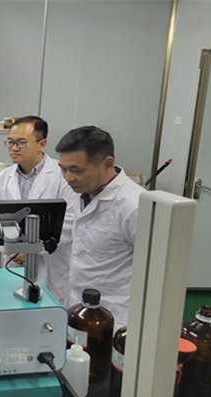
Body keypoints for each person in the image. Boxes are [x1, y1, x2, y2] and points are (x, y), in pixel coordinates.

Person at [55, 125, 145, 330]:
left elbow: (155, 273)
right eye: (63, 169)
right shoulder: (83, 193)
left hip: (116, 317)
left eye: (76, 170)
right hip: (79, 307)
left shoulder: (134, 205)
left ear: (107, 164)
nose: (67, 178)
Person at [0, 116, 78, 307]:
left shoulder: (63, 176)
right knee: (13, 311)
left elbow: (70, 221)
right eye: (10, 142)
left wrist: (34, 249)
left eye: (21, 143)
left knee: (49, 313)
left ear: (42, 144)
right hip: (13, 263)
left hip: (53, 264)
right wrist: (12, 250)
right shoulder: (2, 179)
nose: (13, 148)